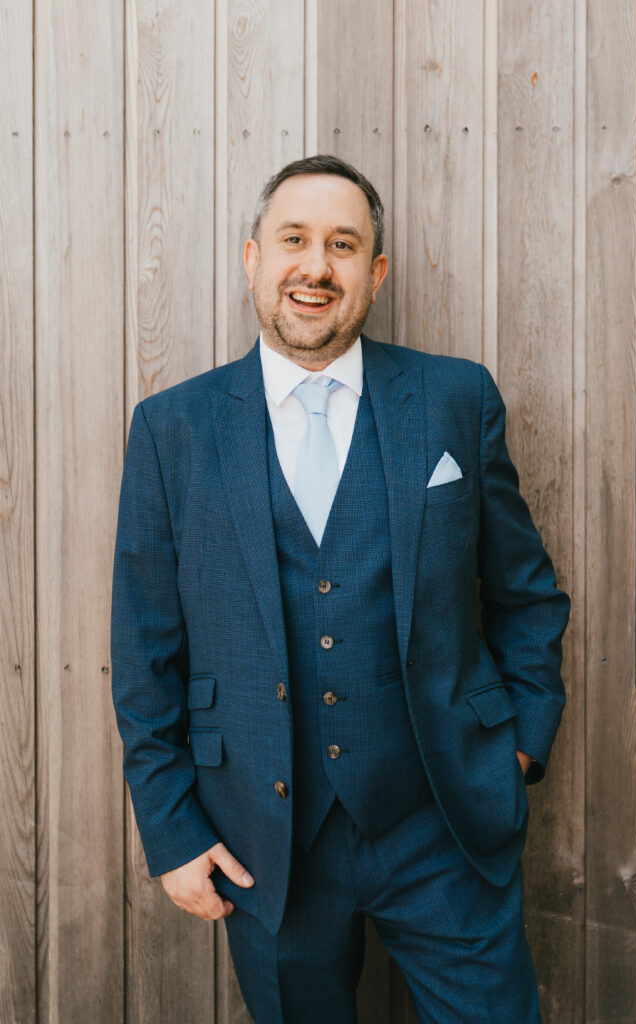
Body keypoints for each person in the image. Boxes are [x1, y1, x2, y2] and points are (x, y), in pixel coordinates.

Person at [111, 153, 570, 1023]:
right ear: (252, 258)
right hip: (261, 843)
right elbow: (142, 652)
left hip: (444, 825)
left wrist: (513, 752)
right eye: (293, 240)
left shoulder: (452, 400)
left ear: (375, 272)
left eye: (343, 245)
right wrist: (173, 831)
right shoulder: (172, 431)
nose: (315, 266)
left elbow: (526, 596)